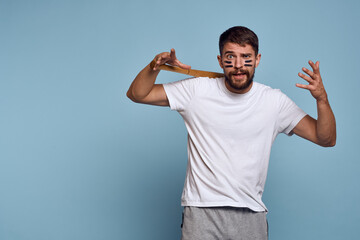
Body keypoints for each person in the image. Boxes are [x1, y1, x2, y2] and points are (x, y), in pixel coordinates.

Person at [127, 26, 336, 240]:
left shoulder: (274, 101)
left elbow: (326, 139)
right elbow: (137, 94)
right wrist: (155, 66)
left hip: (251, 215)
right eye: (230, 57)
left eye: (246, 57)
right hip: (201, 212)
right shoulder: (196, 90)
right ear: (220, 60)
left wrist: (322, 99)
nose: (238, 65)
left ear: (257, 59)